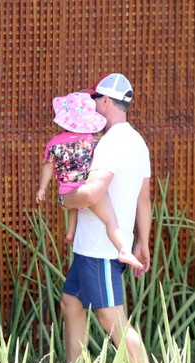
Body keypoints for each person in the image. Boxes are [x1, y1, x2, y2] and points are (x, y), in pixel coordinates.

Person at [59, 73, 152, 363]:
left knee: (112, 319)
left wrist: (66, 201)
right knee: (71, 303)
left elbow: (93, 193)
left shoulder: (110, 144)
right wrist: (143, 242)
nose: (92, 105)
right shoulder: (137, 141)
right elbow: (144, 200)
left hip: (100, 248)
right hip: (95, 246)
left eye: (95, 100)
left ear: (107, 102)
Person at [36, 92, 143, 270]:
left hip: (66, 190)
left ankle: (71, 232)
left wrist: (42, 189)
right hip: (87, 188)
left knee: (72, 206)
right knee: (110, 221)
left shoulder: (54, 143)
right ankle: (123, 249)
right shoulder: (94, 142)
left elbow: (47, 166)